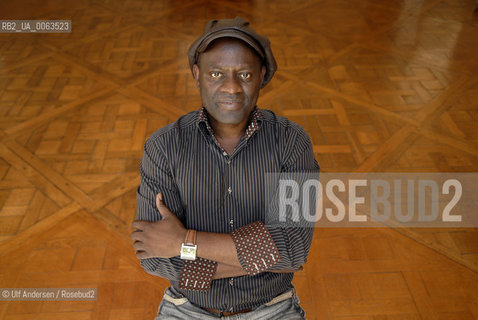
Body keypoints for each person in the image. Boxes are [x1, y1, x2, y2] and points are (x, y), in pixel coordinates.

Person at [131, 17, 319, 319]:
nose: (231, 87)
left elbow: (293, 250)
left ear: (261, 76)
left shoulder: (292, 142)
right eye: (216, 73)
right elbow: (153, 258)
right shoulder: (163, 147)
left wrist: (183, 242)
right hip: (186, 309)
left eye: (244, 74)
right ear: (197, 75)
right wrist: (264, 256)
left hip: (272, 308)